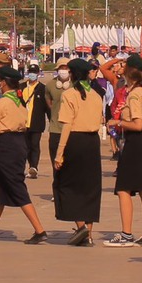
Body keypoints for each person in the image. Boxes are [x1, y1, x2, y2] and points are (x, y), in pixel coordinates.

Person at [0, 67, 48, 242]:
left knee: (16, 187)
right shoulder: (18, 100)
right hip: (20, 143)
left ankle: (39, 230)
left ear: (3, 82)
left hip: (7, 146)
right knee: (0, 189)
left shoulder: (2, 102)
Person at [52, 58, 104, 247]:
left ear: (72, 74)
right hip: (92, 142)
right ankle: (88, 234)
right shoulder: (97, 95)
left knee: (66, 184)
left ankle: (81, 226)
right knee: (90, 188)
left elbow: (67, 125)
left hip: (74, 141)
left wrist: (59, 153)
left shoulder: (70, 94)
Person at [108, 55, 142, 247]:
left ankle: (126, 234)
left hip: (138, 140)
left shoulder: (136, 93)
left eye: (124, 65)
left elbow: (137, 124)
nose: (121, 68)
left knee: (124, 188)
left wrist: (117, 122)